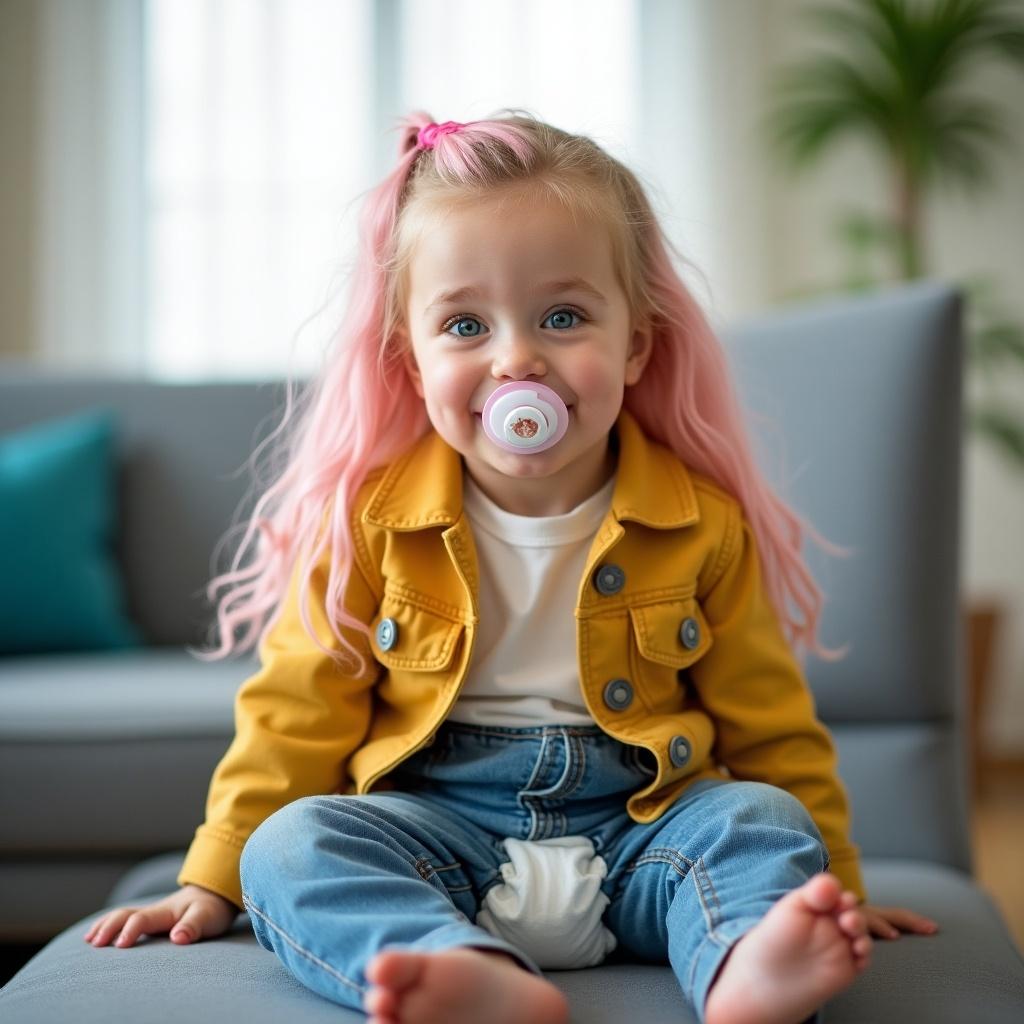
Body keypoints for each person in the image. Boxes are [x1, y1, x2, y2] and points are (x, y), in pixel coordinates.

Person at [84, 110, 939, 1024]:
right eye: (465, 324)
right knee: (291, 848)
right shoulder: (368, 526)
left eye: (563, 316)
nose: (517, 359)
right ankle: (455, 968)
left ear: (635, 345)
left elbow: (772, 725)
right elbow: (293, 715)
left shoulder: (699, 524)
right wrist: (212, 879)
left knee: (762, 821)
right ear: (412, 363)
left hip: (645, 833)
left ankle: (748, 965)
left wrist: (833, 880)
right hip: (440, 839)